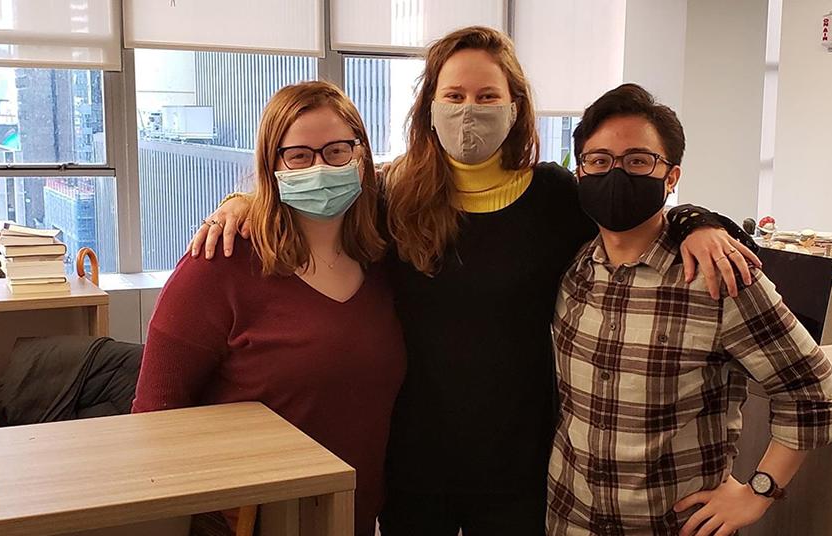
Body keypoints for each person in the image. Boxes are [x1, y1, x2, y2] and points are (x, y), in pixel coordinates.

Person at [192, 27, 760, 535]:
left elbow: (634, 210)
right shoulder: (393, 196)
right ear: (430, 107)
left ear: (515, 107)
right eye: (455, 96)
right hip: (414, 464)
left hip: (525, 464)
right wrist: (242, 201)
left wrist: (697, 221)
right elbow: (313, 194)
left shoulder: (557, 196)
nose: (470, 111)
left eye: (488, 96)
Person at [546, 84, 832, 536]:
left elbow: (812, 391)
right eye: (600, 160)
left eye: (638, 160)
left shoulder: (718, 278)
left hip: (674, 526)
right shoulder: (573, 270)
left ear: (671, 176)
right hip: (570, 519)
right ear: (582, 172)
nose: (617, 173)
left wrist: (759, 490)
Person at [132, 81, 407, 536]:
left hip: (349, 519)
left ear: (361, 156)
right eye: (299, 156)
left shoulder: (385, 256)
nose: (321, 168)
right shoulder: (218, 263)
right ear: (272, 164)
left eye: (337, 151)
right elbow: (154, 421)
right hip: (247, 523)